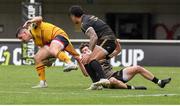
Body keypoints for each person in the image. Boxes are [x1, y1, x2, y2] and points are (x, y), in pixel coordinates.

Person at [16, 16, 88, 88]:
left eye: (21, 38)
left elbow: (40, 18)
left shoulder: (33, 27)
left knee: (54, 49)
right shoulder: (37, 41)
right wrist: (49, 62)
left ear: (25, 32)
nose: (21, 40)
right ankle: (42, 83)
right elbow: (47, 53)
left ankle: (70, 63)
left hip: (59, 36)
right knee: (37, 58)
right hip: (53, 43)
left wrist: (31, 21)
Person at [79, 43, 172, 90]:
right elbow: (86, 74)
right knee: (112, 80)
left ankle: (159, 82)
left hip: (115, 74)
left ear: (91, 49)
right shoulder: (86, 62)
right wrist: (80, 62)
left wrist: (116, 42)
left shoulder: (101, 54)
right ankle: (132, 88)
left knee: (137, 68)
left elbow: (118, 50)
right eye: (83, 52)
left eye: (87, 50)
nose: (85, 52)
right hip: (106, 81)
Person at [69, 5, 119, 85]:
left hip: (107, 40)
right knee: (86, 60)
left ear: (73, 16)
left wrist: (89, 52)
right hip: (109, 40)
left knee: (90, 59)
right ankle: (96, 84)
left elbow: (94, 37)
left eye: (71, 16)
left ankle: (103, 79)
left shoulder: (84, 24)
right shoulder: (88, 18)